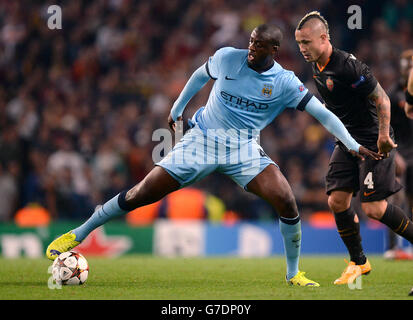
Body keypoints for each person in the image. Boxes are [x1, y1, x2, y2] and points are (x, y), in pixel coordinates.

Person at [46, 24, 380, 287]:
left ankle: (294, 273)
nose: (251, 48)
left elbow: (323, 114)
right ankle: (77, 234)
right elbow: (199, 76)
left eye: (258, 45)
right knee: (139, 194)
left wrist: (351, 144)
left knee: (287, 202)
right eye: (250, 42)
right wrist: (177, 109)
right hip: (202, 140)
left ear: (273, 50)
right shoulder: (227, 58)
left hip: (244, 150)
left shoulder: (284, 82)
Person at [295, 11, 413, 285]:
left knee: (374, 209)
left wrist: (383, 134)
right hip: (347, 141)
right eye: (299, 42)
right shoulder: (316, 67)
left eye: (307, 42)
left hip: (373, 141)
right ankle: (358, 262)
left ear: (324, 38)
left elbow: (381, 97)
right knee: (336, 201)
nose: (302, 48)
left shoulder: (348, 66)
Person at [385, 50, 413, 260]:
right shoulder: (394, 93)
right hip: (400, 150)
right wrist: (394, 152)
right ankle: (393, 247)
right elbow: (385, 126)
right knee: (396, 196)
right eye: (406, 66)